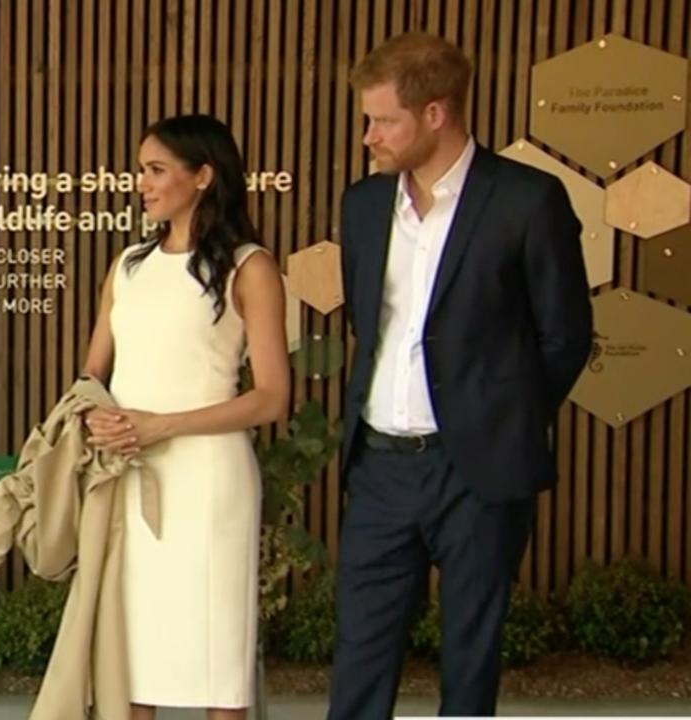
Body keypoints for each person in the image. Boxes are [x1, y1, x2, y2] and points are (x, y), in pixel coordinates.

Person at [328, 33, 592, 719]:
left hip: (478, 472)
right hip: (381, 467)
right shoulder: (362, 206)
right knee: (359, 658)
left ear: (437, 114)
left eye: (383, 120)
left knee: (470, 666)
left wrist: (503, 420)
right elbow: (370, 325)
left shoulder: (528, 200)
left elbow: (565, 337)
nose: (368, 137)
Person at [81, 114, 291, 720]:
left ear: (203, 175)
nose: (141, 183)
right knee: (132, 656)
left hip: (209, 483)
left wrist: (162, 425)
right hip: (129, 476)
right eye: (140, 170)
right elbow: (93, 374)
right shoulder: (127, 266)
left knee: (215, 657)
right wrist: (97, 418)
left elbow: (272, 397)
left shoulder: (250, 267)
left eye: (155, 170)